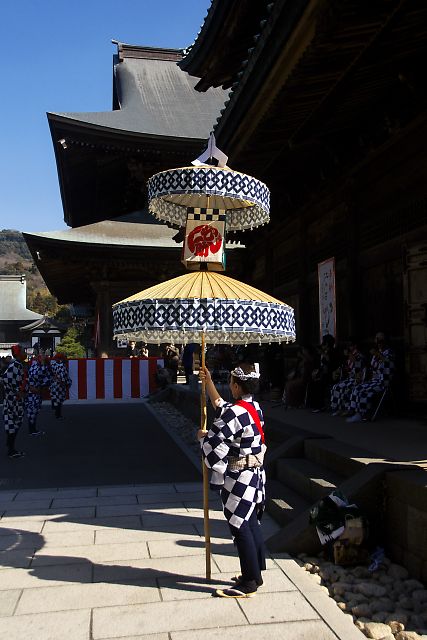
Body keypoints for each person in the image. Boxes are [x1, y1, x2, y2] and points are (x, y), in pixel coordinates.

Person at [198, 362, 266, 598]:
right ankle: (255, 573)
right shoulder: (253, 407)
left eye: (230, 383)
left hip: (239, 475)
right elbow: (222, 407)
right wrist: (208, 383)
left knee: (239, 524)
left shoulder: (234, 413)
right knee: (250, 521)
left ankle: (249, 582)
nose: (229, 387)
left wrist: (202, 438)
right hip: (255, 473)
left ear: (236, 386)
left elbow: (214, 443)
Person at [346, 332, 395, 423]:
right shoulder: (377, 352)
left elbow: (389, 363)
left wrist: (377, 354)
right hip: (374, 379)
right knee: (357, 388)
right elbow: (371, 367)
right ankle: (356, 412)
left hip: (383, 381)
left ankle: (362, 413)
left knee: (362, 391)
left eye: (380, 340)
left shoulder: (389, 352)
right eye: (377, 339)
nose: (378, 342)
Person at [2, 344, 27, 458]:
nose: (25, 353)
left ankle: (10, 446)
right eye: (23, 351)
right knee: (14, 423)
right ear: (18, 353)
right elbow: (4, 379)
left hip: (14, 400)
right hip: (13, 401)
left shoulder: (17, 365)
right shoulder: (15, 365)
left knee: (14, 423)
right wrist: (17, 391)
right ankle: (11, 450)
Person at [330, 338, 366, 416]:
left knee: (346, 388)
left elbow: (358, 368)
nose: (348, 347)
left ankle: (349, 409)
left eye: (350, 345)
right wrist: (337, 371)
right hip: (350, 378)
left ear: (355, 346)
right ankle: (339, 408)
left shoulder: (359, 355)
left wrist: (349, 355)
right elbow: (346, 367)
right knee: (336, 387)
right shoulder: (350, 355)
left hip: (357, 379)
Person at [25, 354, 49, 435]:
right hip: (34, 391)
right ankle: (32, 430)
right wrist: (43, 364)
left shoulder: (34, 366)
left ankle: (32, 429)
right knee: (33, 411)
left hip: (33, 391)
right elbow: (42, 376)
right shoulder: (38, 367)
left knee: (32, 411)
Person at [50, 353, 72, 419]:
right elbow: (63, 377)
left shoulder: (52, 364)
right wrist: (65, 383)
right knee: (59, 400)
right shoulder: (62, 366)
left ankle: (54, 408)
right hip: (60, 385)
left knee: (55, 398)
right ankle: (58, 415)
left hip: (53, 384)